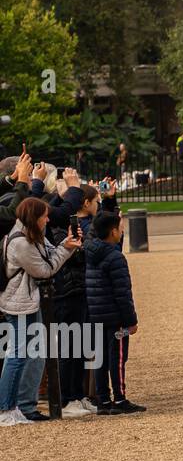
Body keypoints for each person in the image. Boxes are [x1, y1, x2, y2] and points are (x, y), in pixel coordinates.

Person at [0, 197, 81, 425]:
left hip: (27, 300)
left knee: (32, 353)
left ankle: (23, 406)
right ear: (34, 218)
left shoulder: (30, 234)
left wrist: (66, 244)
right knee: (17, 355)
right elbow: (45, 270)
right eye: (44, 216)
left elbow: (50, 254)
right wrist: (66, 250)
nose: (48, 219)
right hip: (19, 303)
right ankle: (6, 409)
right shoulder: (21, 243)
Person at [48, 180, 119, 417]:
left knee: (80, 348)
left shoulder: (78, 222)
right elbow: (78, 252)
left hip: (80, 290)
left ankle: (78, 395)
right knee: (70, 348)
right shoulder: (65, 223)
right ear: (84, 202)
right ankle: (68, 398)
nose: (98, 205)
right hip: (68, 291)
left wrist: (109, 201)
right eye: (97, 201)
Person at [85, 212, 144, 415]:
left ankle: (103, 399)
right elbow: (123, 294)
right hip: (115, 317)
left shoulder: (91, 251)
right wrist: (131, 321)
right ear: (112, 232)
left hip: (97, 314)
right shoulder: (115, 257)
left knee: (100, 357)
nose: (122, 231)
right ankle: (119, 398)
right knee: (117, 357)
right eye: (120, 228)